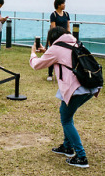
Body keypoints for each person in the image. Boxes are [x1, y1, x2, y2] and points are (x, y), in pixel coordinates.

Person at [30, 26, 101, 168]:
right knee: (67, 115)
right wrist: (47, 51)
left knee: (66, 119)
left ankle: (81, 157)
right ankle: (67, 147)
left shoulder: (56, 48)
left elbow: (37, 65)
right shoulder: (74, 42)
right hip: (89, 85)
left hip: (75, 89)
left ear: (52, 38)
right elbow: (63, 57)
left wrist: (33, 53)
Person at [47, 0, 71, 81]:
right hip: (56, 38)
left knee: (64, 56)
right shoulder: (53, 15)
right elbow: (53, 28)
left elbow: (68, 26)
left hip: (65, 38)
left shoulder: (66, 14)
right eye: (63, 3)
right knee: (53, 55)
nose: (64, 5)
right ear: (58, 5)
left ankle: (62, 74)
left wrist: (69, 36)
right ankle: (50, 74)